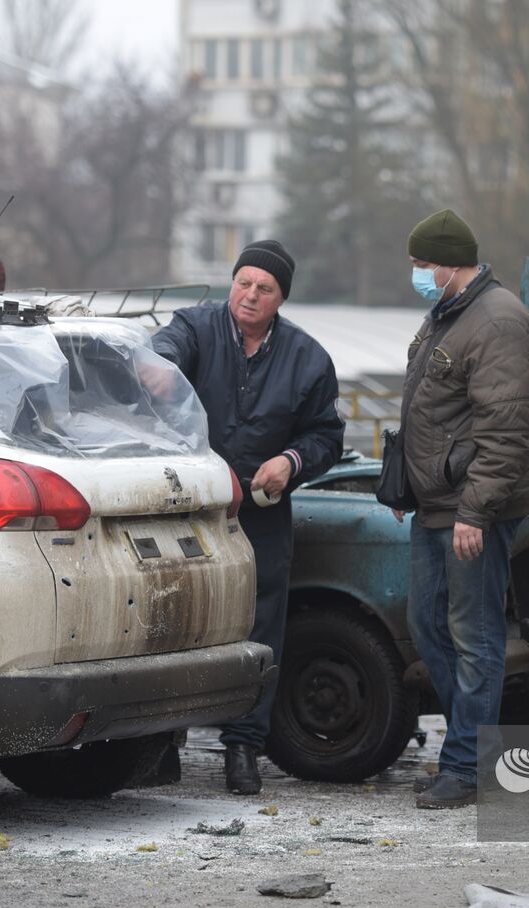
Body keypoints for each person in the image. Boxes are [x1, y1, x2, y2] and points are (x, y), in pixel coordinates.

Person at [149, 239, 344, 795]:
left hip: (259, 512)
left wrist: (291, 461)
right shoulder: (196, 327)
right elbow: (165, 343)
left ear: (281, 298)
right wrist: (158, 365)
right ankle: (161, 741)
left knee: (259, 629)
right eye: (243, 283)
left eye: (265, 288)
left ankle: (243, 748)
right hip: (186, 506)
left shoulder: (308, 359)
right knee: (176, 618)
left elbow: (327, 436)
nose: (250, 296)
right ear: (230, 283)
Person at [389, 208, 529, 809]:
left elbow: (506, 432)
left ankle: (466, 766)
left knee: (474, 637)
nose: (418, 276)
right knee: (429, 625)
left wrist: (475, 511)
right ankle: (477, 747)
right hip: (435, 505)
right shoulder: (447, 313)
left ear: (450, 264)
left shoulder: (498, 321)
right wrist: (406, 488)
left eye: (423, 266)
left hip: (471, 510)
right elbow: (431, 414)